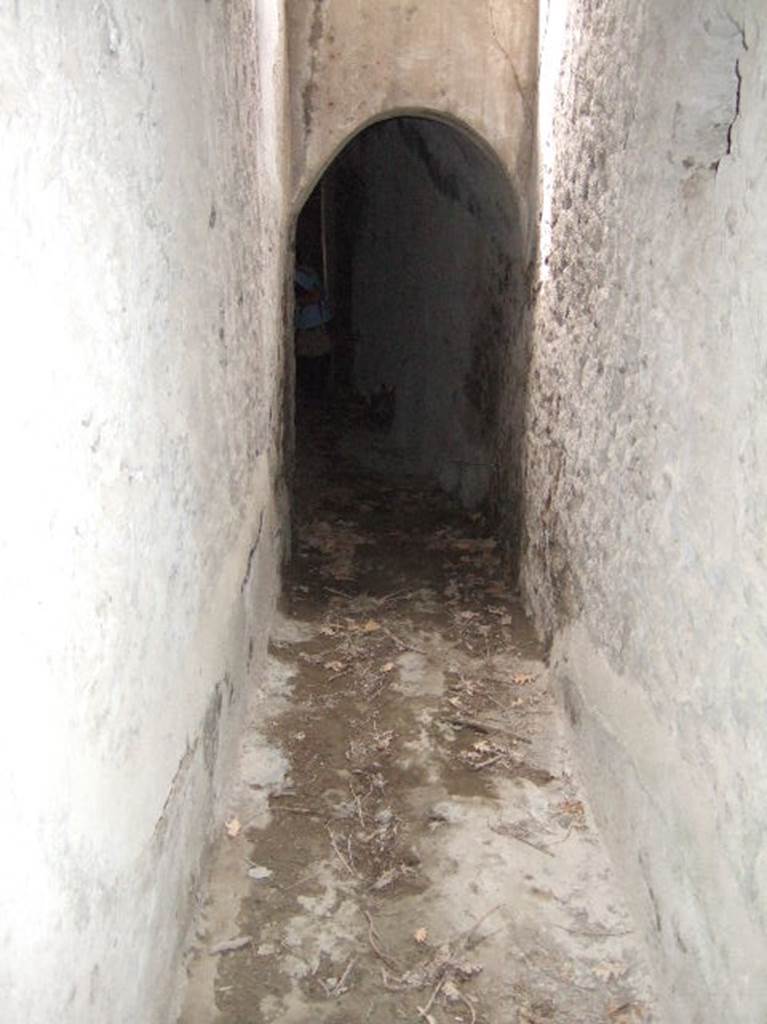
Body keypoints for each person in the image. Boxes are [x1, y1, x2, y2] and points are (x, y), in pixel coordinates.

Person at [294, 264, 333, 398]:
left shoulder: (300, 276)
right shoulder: (305, 272)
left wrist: (298, 302)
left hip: (315, 328)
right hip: (308, 327)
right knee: (309, 367)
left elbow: (317, 295)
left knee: (316, 367)